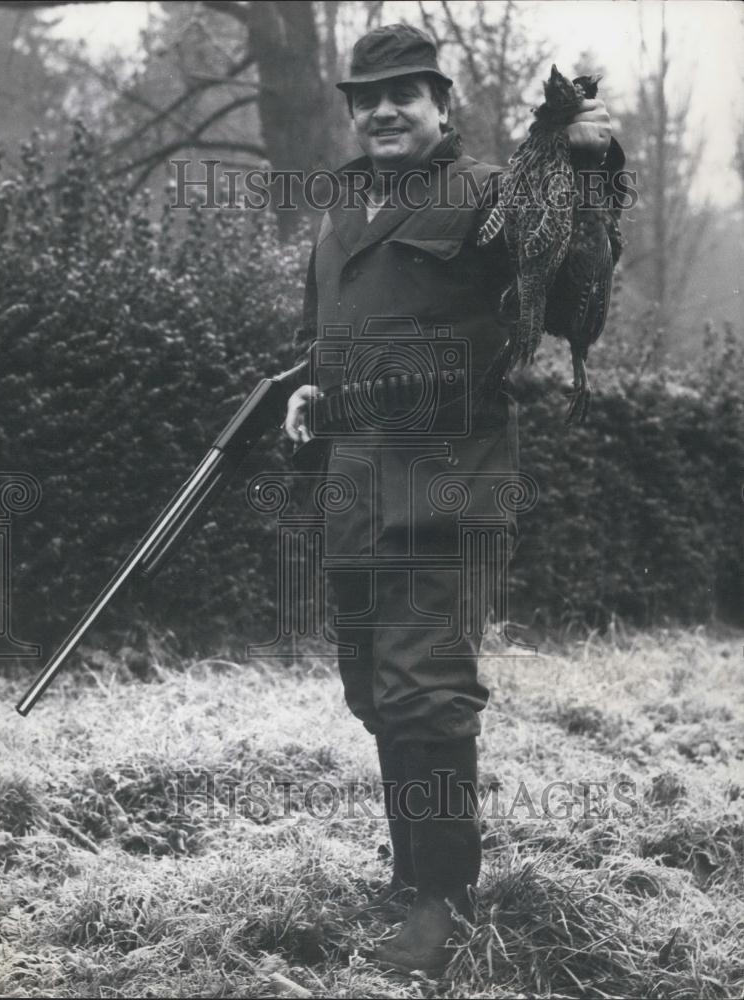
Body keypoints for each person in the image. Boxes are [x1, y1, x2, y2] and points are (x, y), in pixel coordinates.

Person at [283, 23, 623, 975]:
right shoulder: (338, 214)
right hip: (353, 487)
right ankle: (410, 876)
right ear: (353, 113)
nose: (384, 110)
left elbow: (573, 300)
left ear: (441, 106)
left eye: (405, 94)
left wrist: (586, 177)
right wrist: (309, 386)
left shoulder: (490, 196)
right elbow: (321, 338)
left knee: (424, 691)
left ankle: (445, 904)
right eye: (367, 98)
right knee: (373, 688)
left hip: (446, 479)